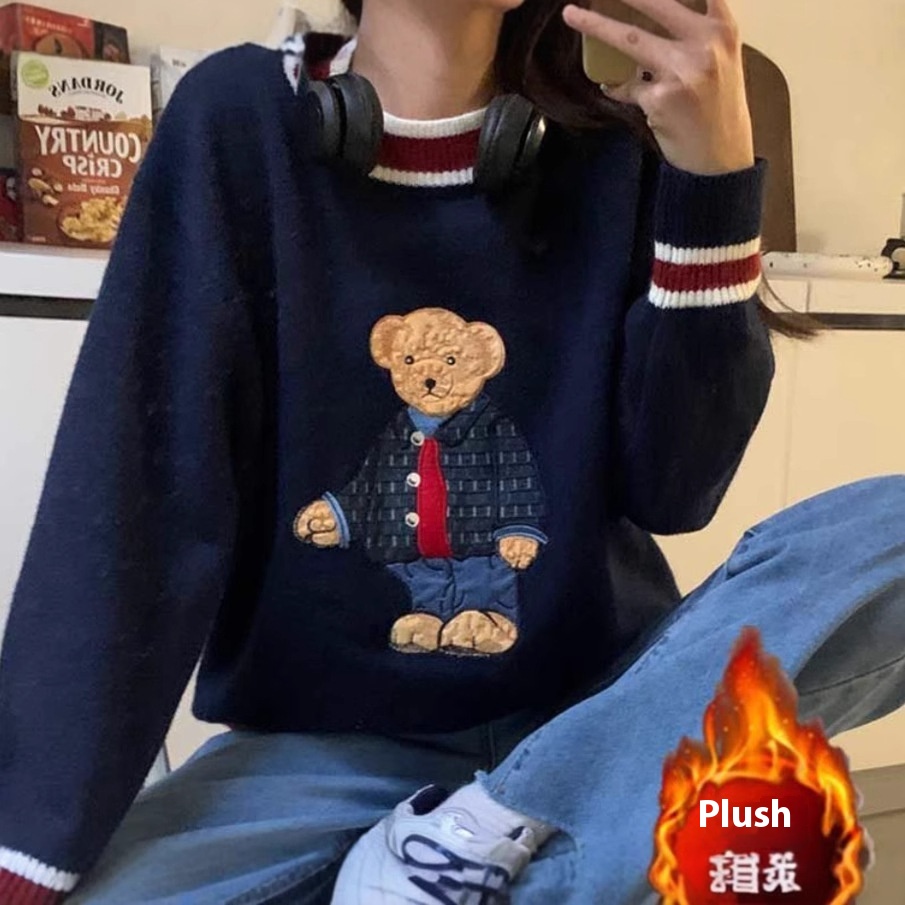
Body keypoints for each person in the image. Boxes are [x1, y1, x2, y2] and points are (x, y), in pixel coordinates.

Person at [0, 0, 902, 903]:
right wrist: (30, 848)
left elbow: (675, 490)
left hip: (597, 718)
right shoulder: (239, 118)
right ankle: (491, 863)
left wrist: (713, 182)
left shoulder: (614, 149)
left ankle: (471, 843)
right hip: (323, 755)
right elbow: (137, 499)